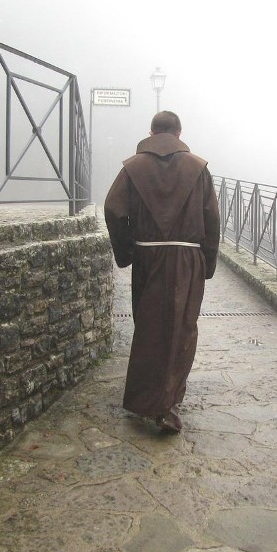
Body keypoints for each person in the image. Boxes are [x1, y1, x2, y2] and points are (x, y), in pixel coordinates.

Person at [104, 111, 220, 433]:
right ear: (179, 134)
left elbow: (113, 210)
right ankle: (166, 404)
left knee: (149, 326)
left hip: (148, 255)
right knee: (181, 329)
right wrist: (207, 263)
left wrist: (127, 251)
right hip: (187, 258)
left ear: (152, 132)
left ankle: (150, 400)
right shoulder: (199, 168)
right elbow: (212, 218)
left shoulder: (132, 168)